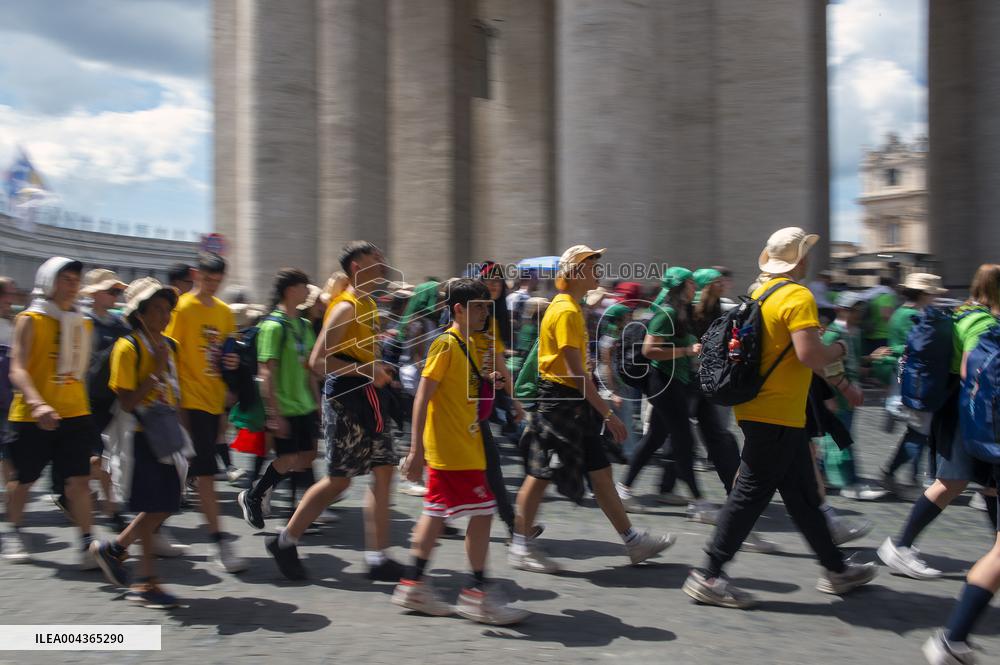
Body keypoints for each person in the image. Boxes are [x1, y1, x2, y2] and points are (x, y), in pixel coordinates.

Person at [682, 227, 876, 609]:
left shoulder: (759, 292)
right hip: (778, 413)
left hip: (760, 407)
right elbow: (808, 355)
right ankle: (709, 573)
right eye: (805, 253)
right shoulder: (797, 296)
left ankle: (836, 569)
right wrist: (837, 348)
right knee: (748, 496)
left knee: (803, 495)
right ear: (799, 259)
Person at [509, 245, 674, 574]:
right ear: (574, 273)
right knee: (540, 474)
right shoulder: (567, 310)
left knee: (601, 472)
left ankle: (633, 540)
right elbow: (574, 372)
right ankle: (520, 545)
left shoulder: (568, 306)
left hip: (570, 403)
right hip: (560, 402)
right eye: (591, 265)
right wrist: (608, 413)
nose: (597, 270)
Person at [393, 278, 529, 624]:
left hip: (461, 443)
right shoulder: (446, 344)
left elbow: (470, 386)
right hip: (451, 447)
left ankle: (414, 584)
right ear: (458, 309)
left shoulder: (471, 342)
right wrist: (416, 450)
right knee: (482, 513)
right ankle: (474, 593)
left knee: (437, 513)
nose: (486, 311)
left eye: (487, 306)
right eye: (480, 306)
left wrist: (499, 389)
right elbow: (422, 397)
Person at [266, 241, 404, 582]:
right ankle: (285, 541)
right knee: (338, 480)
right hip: (346, 402)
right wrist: (367, 371)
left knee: (385, 471)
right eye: (376, 258)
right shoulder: (346, 307)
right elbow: (318, 362)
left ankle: (377, 557)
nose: (383, 263)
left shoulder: (368, 304)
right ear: (357, 266)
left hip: (370, 398)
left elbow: (358, 358)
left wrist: (380, 369)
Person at [878, 264, 1000, 580]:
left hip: (957, 411)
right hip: (969, 415)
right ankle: (900, 546)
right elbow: (971, 371)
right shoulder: (982, 322)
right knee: (952, 482)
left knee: (990, 485)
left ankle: (995, 556)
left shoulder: (963, 313)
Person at [90, 278, 183, 608]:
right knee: (154, 501)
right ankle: (145, 583)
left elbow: (173, 390)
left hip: (165, 434)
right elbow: (127, 402)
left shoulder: (168, 345)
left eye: (167, 309)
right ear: (139, 314)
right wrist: (155, 372)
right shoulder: (127, 348)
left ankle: (114, 548)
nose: (164, 315)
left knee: (165, 503)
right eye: (156, 309)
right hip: (139, 438)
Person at [2, 258, 100, 567]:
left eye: (75, 280)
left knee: (80, 481)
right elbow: (17, 368)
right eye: (65, 279)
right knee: (24, 479)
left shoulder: (83, 322)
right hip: (33, 415)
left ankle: (86, 542)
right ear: (48, 281)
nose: (72, 285)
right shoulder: (31, 319)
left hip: (74, 412)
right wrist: (37, 402)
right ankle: (14, 530)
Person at [164, 252, 248, 573]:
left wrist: (232, 366)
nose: (212, 286)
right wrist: (177, 405)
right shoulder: (182, 308)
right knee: (205, 476)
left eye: (218, 281)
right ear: (196, 274)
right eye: (207, 279)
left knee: (182, 473)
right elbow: (168, 356)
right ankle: (218, 541)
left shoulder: (225, 312)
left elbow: (229, 351)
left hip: (214, 402)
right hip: (189, 401)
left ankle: (144, 532)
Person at [238, 269, 320, 531]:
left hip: (304, 405)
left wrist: (317, 402)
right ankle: (254, 495)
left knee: (306, 457)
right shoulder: (273, 326)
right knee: (287, 459)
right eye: (304, 285)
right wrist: (274, 414)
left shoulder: (305, 326)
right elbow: (266, 373)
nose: (308, 290)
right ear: (289, 290)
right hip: (285, 407)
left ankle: (292, 512)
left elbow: (308, 367)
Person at [874, 273, 947, 496]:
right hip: (916, 381)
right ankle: (892, 473)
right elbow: (914, 348)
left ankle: (913, 477)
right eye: (933, 293)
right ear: (925, 293)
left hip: (912, 379)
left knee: (919, 432)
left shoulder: (905, 312)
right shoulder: (912, 315)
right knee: (918, 433)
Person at [817, 291, 889, 502]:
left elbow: (854, 364)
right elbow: (825, 366)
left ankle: (820, 476)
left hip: (849, 394)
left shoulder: (853, 333)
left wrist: (872, 359)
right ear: (841, 310)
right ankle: (848, 482)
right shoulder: (833, 334)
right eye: (854, 309)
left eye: (860, 309)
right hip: (839, 396)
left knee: (833, 439)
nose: (858, 313)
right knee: (841, 440)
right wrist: (835, 394)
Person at [80, 269, 131, 530]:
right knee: (97, 457)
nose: (116, 296)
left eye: (118, 291)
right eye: (112, 291)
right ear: (95, 294)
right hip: (87, 399)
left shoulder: (120, 324)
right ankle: (107, 507)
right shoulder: (83, 322)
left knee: (104, 456)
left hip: (112, 399)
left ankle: (104, 504)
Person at [0, 277, 17, 486]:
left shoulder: (12, 322)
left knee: (7, 448)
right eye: (9, 293)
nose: (12, 298)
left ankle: (11, 499)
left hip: (7, 396)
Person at [862, 275, 899, 357]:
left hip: (869, 333)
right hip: (882, 336)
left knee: (870, 362)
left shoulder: (873, 295)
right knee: (881, 363)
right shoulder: (886, 296)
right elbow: (886, 316)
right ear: (891, 285)